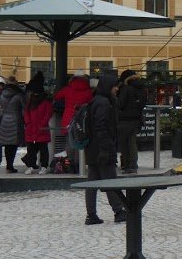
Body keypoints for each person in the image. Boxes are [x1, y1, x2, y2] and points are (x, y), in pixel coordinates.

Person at [84, 72, 127, 225]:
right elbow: (101, 127)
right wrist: (105, 150)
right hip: (102, 148)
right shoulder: (103, 103)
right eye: (115, 86)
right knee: (110, 181)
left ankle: (91, 215)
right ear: (109, 86)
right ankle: (119, 211)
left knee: (92, 183)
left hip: (93, 148)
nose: (117, 89)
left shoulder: (96, 100)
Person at [54, 69, 93, 169]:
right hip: (82, 120)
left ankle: (70, 163)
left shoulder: (68, 89)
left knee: (69, 142)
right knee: (81, 142)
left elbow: (57, 96)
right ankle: (79, 164)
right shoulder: (88, 91)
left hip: (68, 118)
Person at [21, 71, 54, 174]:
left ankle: (44, 165)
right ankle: (31, 165)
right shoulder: (30, 103)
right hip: (32, 129)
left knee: (43, 149)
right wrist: (28, 123)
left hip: (40, 129)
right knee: (31, 150)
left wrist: (42, 125)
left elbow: (48, 114)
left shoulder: (45, 103)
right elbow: (26, 113)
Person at [117, 68, 147, 174]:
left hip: (125, 119)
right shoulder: (141, 88)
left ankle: (129, 164)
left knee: (125, 143)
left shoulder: (127, 88)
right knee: (132, 141)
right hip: (137, 119)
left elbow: (120, 104)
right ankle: (133, 164)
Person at [0, 78, 25, 172]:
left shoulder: (2, 95)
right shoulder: (19, 95)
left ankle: (8, 165)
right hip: (16, 121)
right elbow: (24, 109)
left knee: (7, 145)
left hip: (5, 121)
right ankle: (10, 166)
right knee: (13, 145)